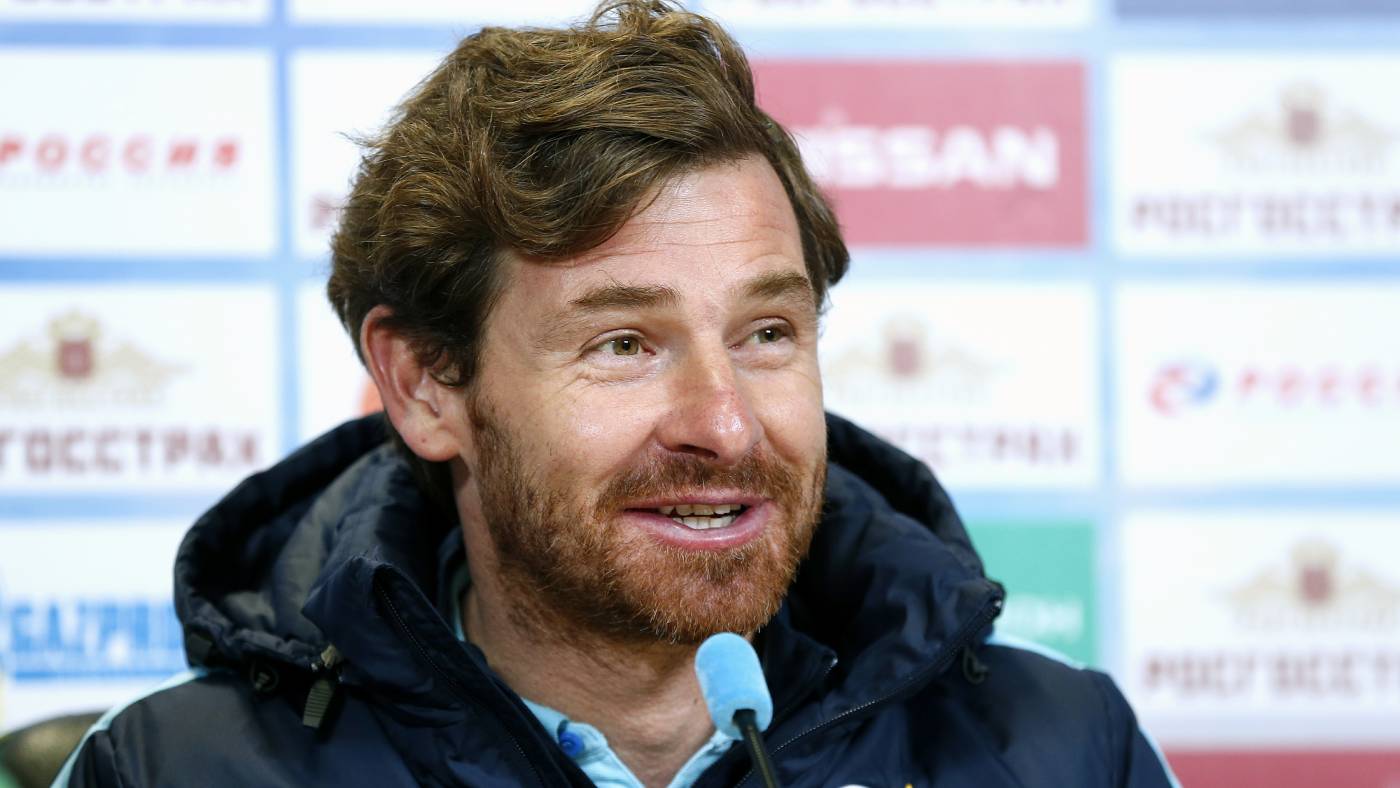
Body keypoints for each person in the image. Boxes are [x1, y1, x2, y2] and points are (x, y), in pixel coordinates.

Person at [56, 2, 1179, 786]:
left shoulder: (1065, 752)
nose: (724, 422)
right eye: (626, 343)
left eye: (767, 333)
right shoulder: (167, 772)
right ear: (425, 383)